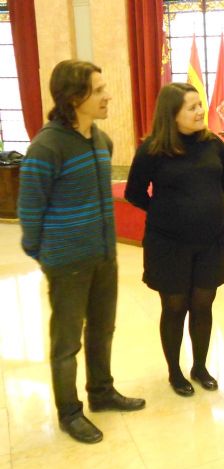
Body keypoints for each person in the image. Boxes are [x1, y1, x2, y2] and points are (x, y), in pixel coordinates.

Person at [18, 60, 145, 444]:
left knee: (103, 329)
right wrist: (48, 255)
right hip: (67, 262)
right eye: (99, 89)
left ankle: (102, 393)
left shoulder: (101, 141)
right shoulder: (46, 146)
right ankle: (69, 412)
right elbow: (30, 210)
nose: (109, 95)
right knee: (67, 341)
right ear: (75, 98)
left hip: (103, 256)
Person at [125, 83, 224, 397]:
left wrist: (203, 204)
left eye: (200, 104)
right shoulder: (152, 149)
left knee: (203, 303)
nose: (200, 111)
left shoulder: (214, 143)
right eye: (192, 107)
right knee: (175, 306)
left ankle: (200, 367)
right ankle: (175, 372)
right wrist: (165, 211)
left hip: (212, 239)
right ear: (172, 115)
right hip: (168, 243)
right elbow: (134, 193)